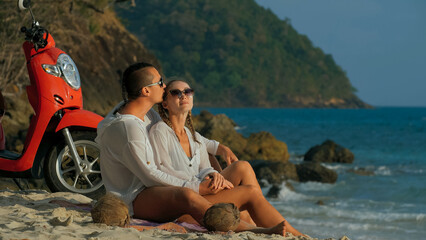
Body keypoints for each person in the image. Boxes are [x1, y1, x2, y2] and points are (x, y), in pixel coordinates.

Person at [96, 62, 289, 235]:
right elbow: (149, 175)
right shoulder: (129, 129)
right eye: (160, 82)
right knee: (188, 194)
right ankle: (257, 229)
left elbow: (191, 138)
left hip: (154, 190)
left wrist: (219, 148)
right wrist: (198, 187)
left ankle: (272, 226)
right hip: (135, 198)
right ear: (146, 91)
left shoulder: (144, 114)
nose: (164, 86)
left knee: (242, 168)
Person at [149, 78, 304, 236]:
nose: (184, 96)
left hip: (203, 193)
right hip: (186, 205)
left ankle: (254, 223)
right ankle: (297, 235)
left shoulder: (192, 135)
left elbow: (205, 167)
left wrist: (214, 175)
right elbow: (163, 172)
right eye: (176, 93)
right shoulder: (160, 131)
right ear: (165, 103)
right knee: (250, 192)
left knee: (242, 166)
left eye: (188, 92)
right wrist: (199, 183)